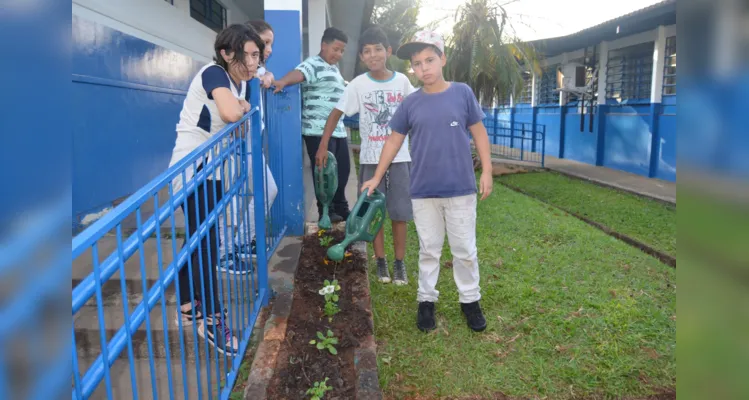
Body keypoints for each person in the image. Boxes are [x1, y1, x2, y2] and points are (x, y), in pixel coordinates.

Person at [360, 30, 494, 333]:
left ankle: (470, 301)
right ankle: (426, 301)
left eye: (430, 60)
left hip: (461, 189)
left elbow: (479, 133)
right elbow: (393, 142)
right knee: (429, 249)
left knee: (464, 249)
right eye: (417, 63)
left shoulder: (462, 93)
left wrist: (486, 170)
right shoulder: (410, 103)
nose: (424, 68)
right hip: (422, 192)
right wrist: (376, 177)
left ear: (442, 59)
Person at [167, 23, 265, 355]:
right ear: (226, 53)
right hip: (194, 171)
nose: (252, 62)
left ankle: (186, 305)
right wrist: (243, 110)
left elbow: (237, 129)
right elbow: (229, 114)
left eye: (256, 54)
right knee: (206, 245)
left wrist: (242, 109)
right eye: (246, 55)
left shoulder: (240, 85)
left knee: (197, 240)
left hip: (212, 171)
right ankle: (212, 321)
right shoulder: (214, 74)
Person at [315, 26, 415, 285]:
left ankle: (399, 263)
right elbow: (336, 113)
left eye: (378, 50)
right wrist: (323, 144)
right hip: (371, 159)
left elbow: (419, 112)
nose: (373, 55)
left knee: (400, 212)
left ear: (388, 51)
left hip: (401, 158)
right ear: (361, 57)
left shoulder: (402, 81)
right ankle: (380, 261)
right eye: (367, 52)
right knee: (373, 213)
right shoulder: (358, 85)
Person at [216, 19, 278, 274]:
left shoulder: (253, 72)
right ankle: (224, 252)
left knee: (263, 191)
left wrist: (269, 75)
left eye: (264, 48)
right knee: (232, 201)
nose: (267, 51)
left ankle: (239, 242)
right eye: (264, 44)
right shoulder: (227, 74)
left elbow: (265, 75)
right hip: (237, 143)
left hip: (250, 140)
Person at [273, 27, 351, 222]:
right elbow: (299, 73)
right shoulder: (313, 63)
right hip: (317, 130)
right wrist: (282, 81)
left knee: (343, 170)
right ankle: (327, 210)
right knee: (325, 173)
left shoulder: (333, 68)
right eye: (335, 49)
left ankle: (341, 207)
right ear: (323, 45)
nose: (338, 54)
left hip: (338, 130)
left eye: (342, 51)